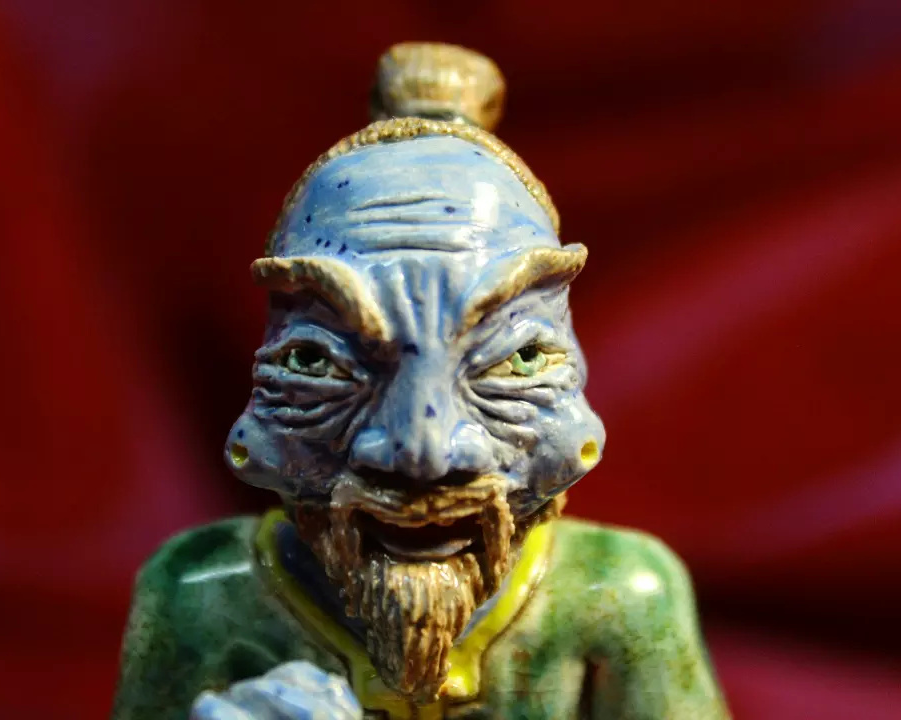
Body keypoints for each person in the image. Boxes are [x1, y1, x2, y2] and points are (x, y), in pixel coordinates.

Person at [112, 42, 729, 720]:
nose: (423, 453)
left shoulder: (616, 598)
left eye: (514, 359)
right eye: (320, 363)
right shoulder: (202, 598)